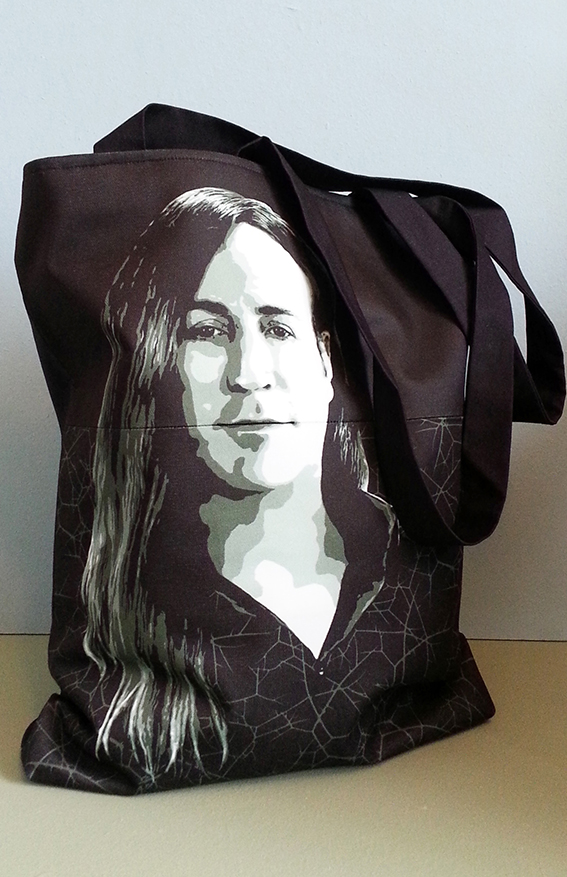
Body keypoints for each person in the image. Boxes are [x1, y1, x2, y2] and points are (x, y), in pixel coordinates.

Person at [79, 187, 392, 779]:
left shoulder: (399, 558)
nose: (248, 373)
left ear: (326, 361)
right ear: (158, 367)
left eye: (278, 329)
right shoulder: (128, 606)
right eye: (208, 331)